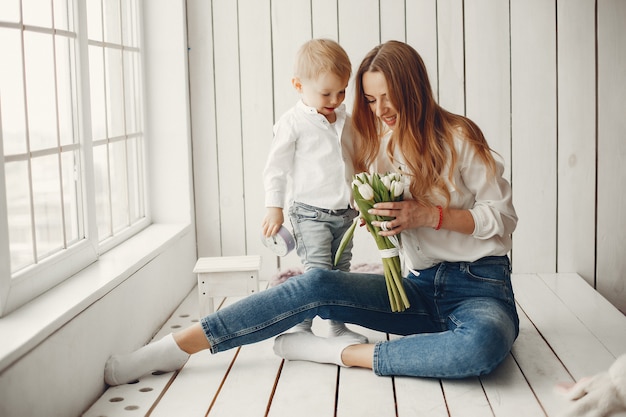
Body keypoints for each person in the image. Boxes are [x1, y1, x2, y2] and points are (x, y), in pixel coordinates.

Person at [104, 40, 519, 387]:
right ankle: (175, 349)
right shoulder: (384, 150)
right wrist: (377, 219)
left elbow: (502, 218)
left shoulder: (459, 136)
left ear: (414, 89)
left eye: (388, 97)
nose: (380, 109)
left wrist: (429, 216)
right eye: (371, 100)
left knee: (481, 348)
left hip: (480, 288)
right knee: (317, 281)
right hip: (418, 289)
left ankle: (337, 352)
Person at [261, 38, 365, 342]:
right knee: (318, 274)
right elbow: (276, 169)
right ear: (298, 85)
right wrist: (274, 206)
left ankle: (337, 325)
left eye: (342, 91)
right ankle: (301, 327)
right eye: (326, 93)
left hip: (344, 213)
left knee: (340, 273)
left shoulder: (346, 120)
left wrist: (361, 197)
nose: (335, 99)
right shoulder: (292, 123)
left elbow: (354, 161)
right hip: (310, 214)